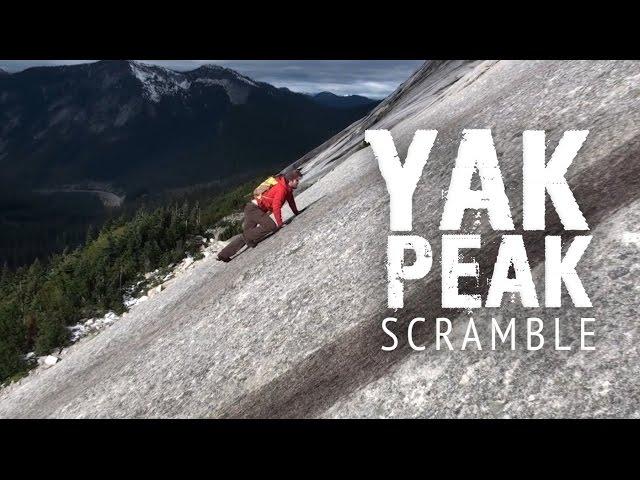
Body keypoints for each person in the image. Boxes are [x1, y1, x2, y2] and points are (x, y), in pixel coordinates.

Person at [217, 169, 302, 262]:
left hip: (251, 208)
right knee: (270, 226)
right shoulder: (282, 189)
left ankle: (223, 255)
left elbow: (291, 201)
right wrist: (280, 223)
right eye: (297, 180)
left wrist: (296, 212)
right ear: (290, 180)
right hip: (253, 209)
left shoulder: (287, 188)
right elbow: (276, 206)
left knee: (247, 235)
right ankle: (243, 241)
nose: (298, 182)